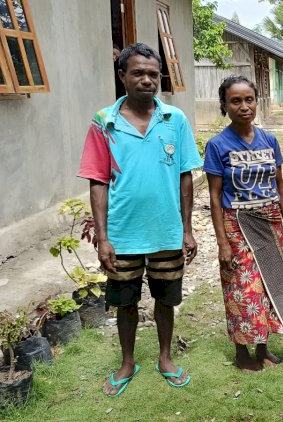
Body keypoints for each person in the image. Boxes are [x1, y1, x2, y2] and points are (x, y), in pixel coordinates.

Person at [77, 43, 202, 396]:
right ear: (122, 76)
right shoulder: (104, 122)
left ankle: (165, 358)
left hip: (166, 231)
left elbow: (185, 176)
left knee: (166, 299)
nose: (147, 80)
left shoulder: (174, 119)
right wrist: (102, 237)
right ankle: (128, 362)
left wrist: (187, 229)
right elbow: (98, 181)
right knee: (125, 301)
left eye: (152, 73)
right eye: (138, 73)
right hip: (123, 233)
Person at [203, 76, 283, 371]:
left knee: (270, 285)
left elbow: (280, 186)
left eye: (249, 100)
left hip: (269, 222)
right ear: (225, 105)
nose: (244, 106)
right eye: (236, 101)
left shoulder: (269, 141)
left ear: (256, 101)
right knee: (242, 290)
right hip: (237, 224)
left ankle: (263, 348)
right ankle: (241, 351)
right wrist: (222, 242)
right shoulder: (218, 145)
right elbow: (215, 196)